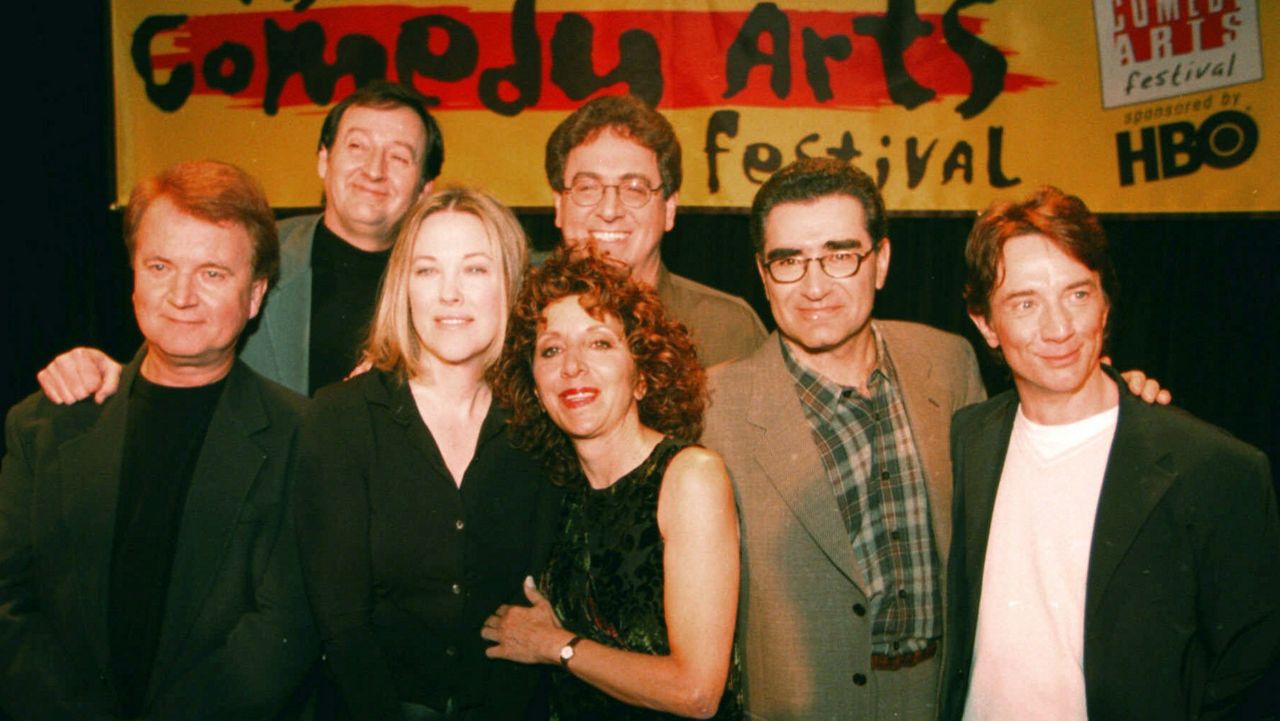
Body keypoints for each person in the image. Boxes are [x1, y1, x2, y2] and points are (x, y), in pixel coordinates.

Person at [700, 158, 1170, 721]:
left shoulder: (946, 361)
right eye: (789, 261)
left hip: (947, 702)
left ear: (881, 262)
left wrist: (1117, 394)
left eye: (840, 255)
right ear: (762, 271)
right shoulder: (711, 407)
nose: (816, 285)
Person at [939, 186, 1280, 721]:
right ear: (985, 324)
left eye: (1077, 294)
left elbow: (1253, 675)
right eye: (1025, 303)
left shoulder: (1217, 469)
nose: (1058, 329)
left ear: (1106, 301)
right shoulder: (968, 438)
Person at [0, 160, 317, 720]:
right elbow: (11, 606)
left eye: (213, 273)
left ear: (255, 295)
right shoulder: (44, 424)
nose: (181, 295)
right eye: (160, 266)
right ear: (134, 274)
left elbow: (280, 630)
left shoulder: (303, 435)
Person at [292, 187, 563, 720]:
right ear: (403, 286)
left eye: (475, 270)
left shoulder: (544, 423)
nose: (450, 294)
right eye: (428, 270)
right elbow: (341, 623)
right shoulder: (342, 417)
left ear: (510, 283)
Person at [38, 80, 444, 400]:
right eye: (357, 146)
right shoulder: (248, 251)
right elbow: (173, 352)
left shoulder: (449, 283)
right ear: (324, 159)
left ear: (425, 186)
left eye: (399, 157)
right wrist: (101, 374)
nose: (374, 170)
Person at [482, 249, 742, 720]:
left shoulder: (688, 477)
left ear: (642, 375)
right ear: (536, 389)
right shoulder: (559, 491)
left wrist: (556, 645)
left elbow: (697, 692)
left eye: (599, 343)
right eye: (551, 349)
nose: (572, 366)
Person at [546, 94, 766, 367]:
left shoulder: (725, 330)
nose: (610, 210)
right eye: (588, 187)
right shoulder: (520, 325)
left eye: (634, 189)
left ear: (669, 209)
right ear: (559, 205)